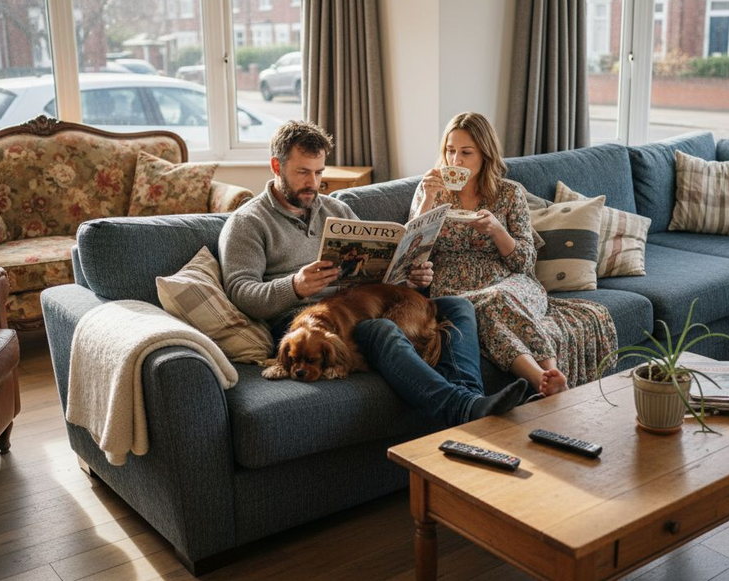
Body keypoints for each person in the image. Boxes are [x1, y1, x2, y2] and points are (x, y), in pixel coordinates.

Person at [219, 120, 528, 425]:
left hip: (358, 304)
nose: (313, 183)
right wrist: (295, 285)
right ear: (276, 165)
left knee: (459, 307)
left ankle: (469, 397)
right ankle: (463, 408)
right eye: (302, 172)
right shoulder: (248, 222)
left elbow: (378, 266)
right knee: (382, 330)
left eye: (318, 172)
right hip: (304, 324)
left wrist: (408, 274)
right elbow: (241, 292)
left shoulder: (335, 210)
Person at [411, 112, 618, 396]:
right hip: (455, 289)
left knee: (498, 297)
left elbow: (525, 262)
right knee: (483, 306)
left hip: (512, 282)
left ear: (485, 154)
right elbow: (413, 253)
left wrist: (498, 230)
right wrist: (427, 200)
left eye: (466, 152)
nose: (455, 161)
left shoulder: (509, 194)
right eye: (450, 151)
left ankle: (548, 373)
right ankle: (544, 376)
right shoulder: (430, 191)